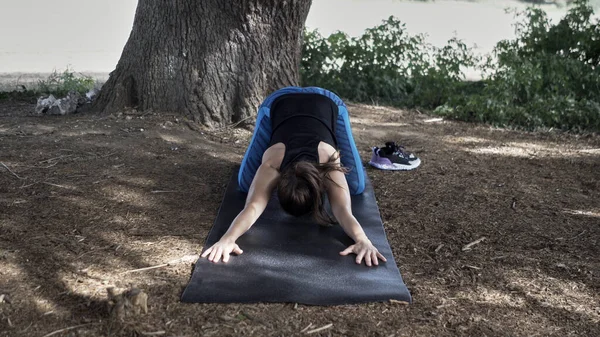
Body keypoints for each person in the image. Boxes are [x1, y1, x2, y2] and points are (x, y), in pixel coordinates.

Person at [201, 91, 387, 267]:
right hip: (281, 102)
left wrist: (363, 240)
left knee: (356, 186)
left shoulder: (329, 162)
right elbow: (253, 207)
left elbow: (342, 210)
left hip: (325, 103)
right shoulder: (273, 163)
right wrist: (227, 238)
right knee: (244, 184)